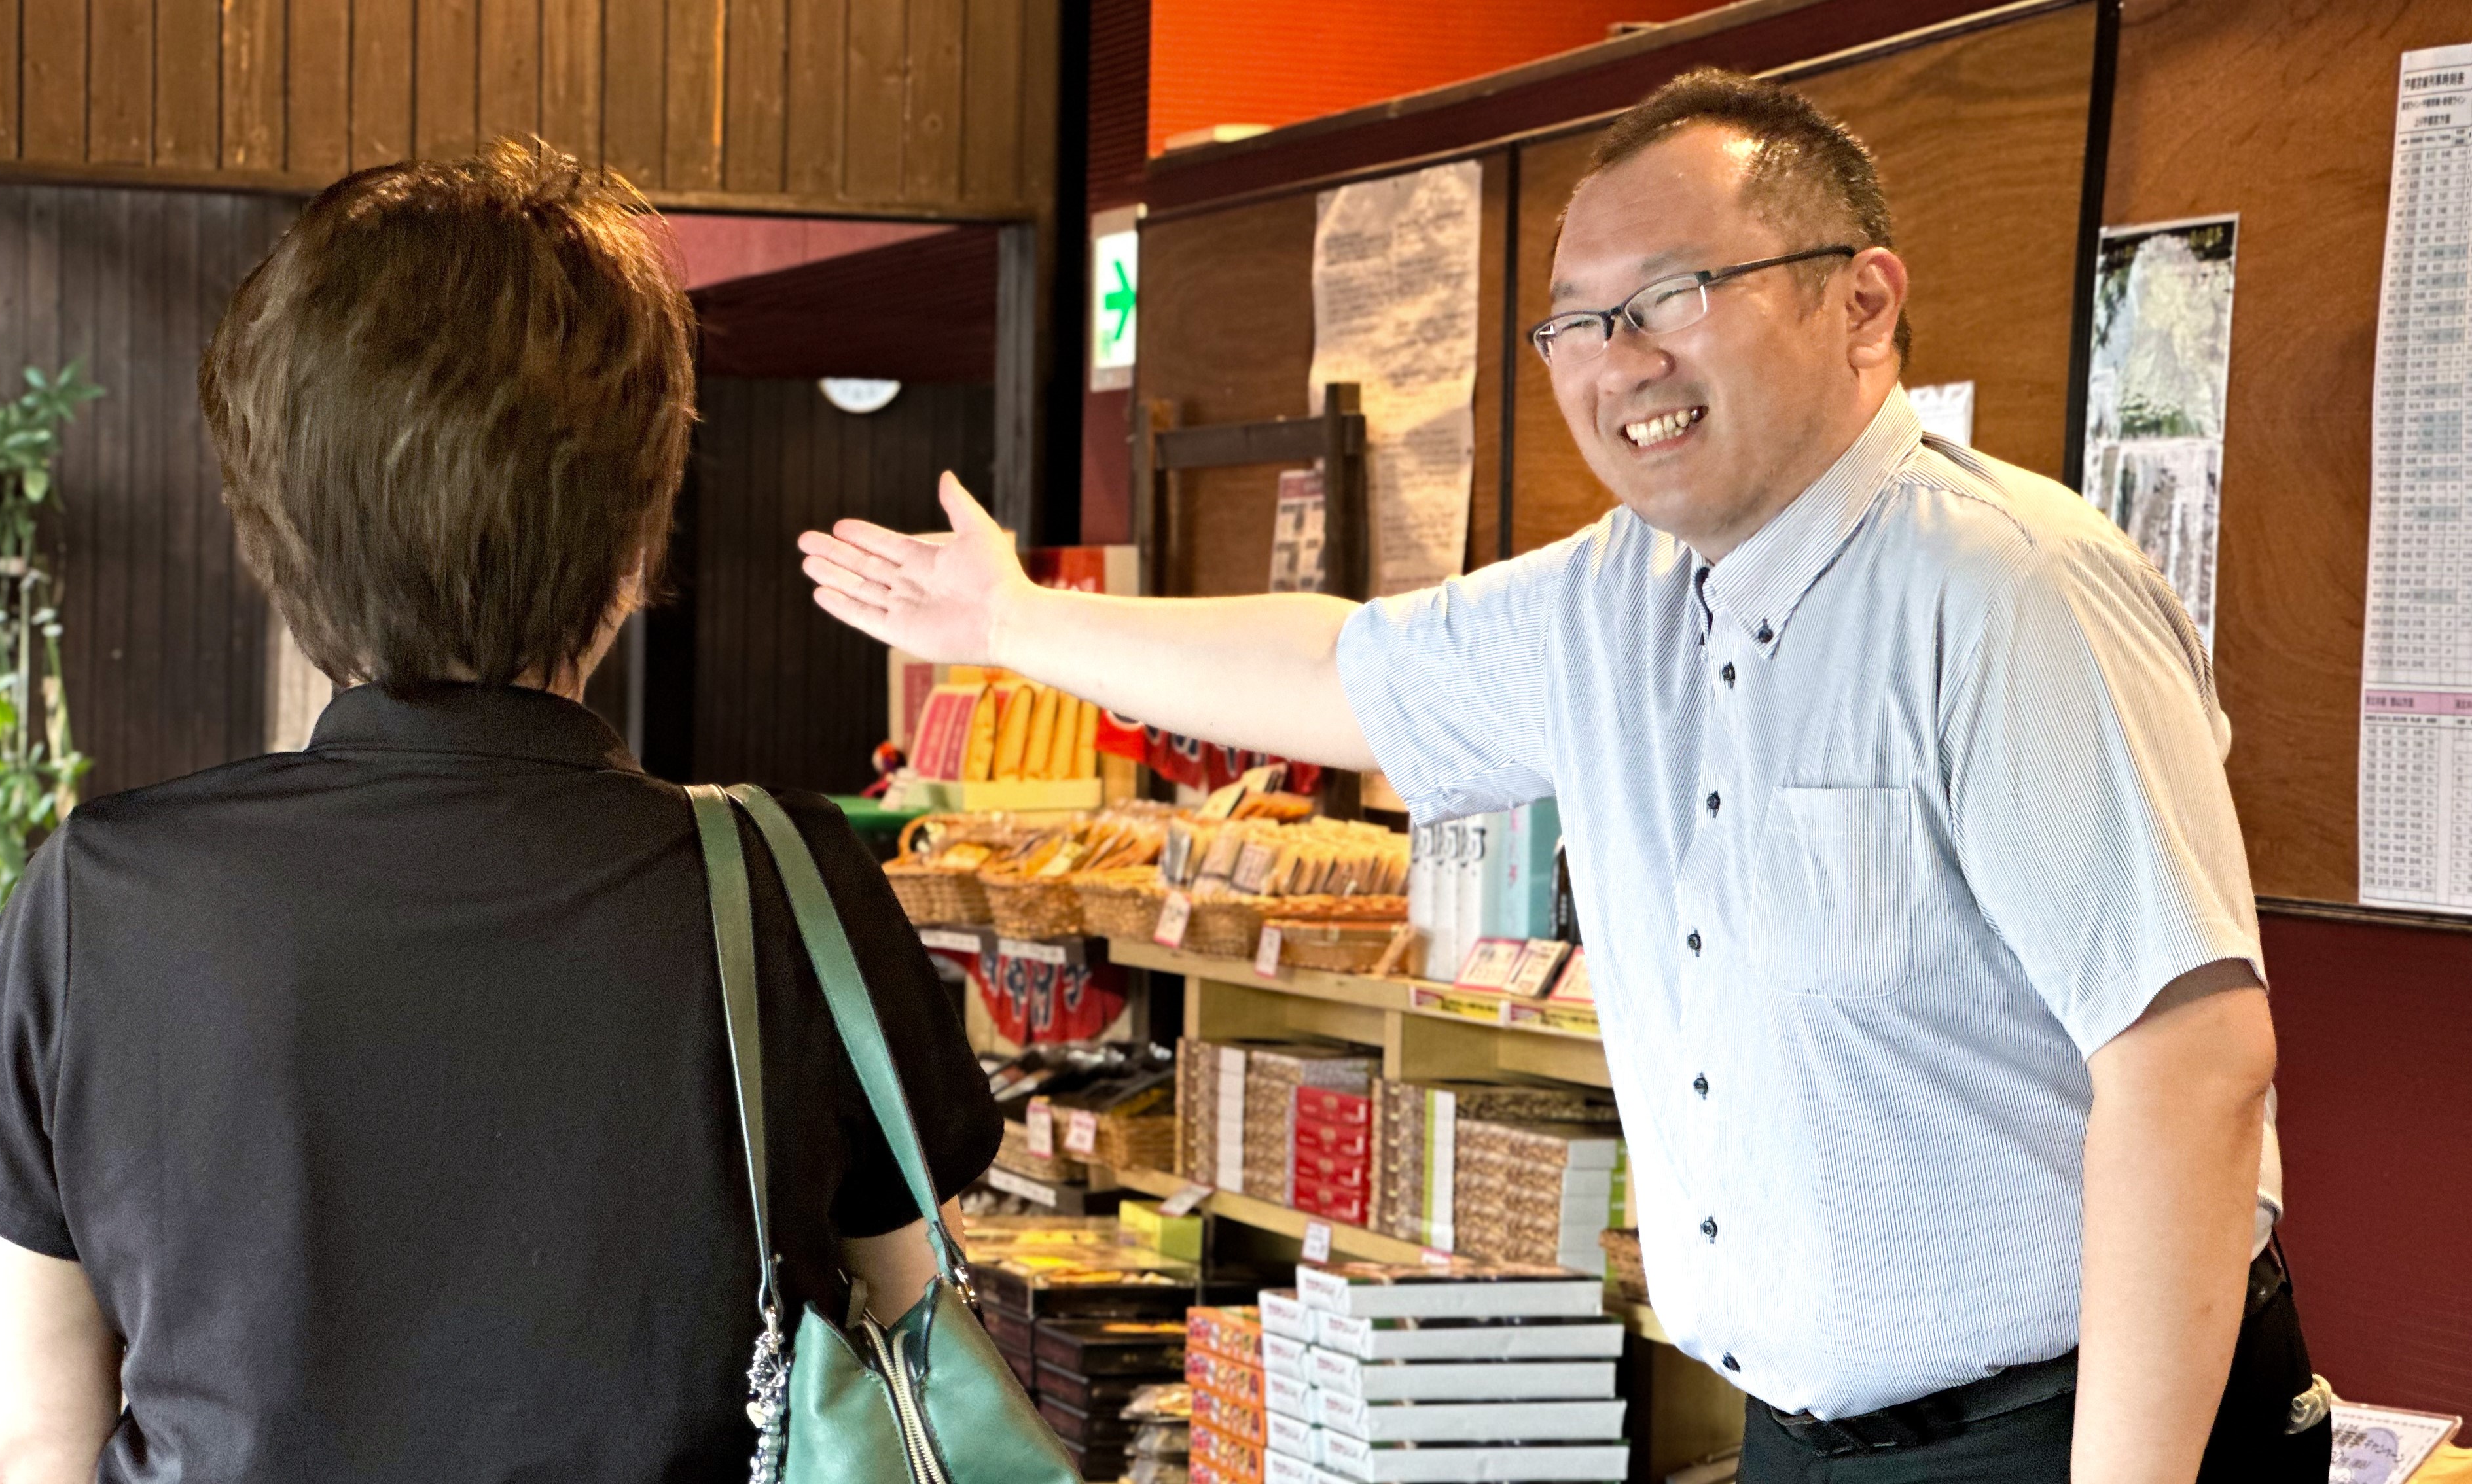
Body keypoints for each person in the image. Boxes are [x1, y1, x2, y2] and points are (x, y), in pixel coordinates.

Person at [798, 71, 2323, 1483]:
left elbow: (2190, 1064)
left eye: (1675, 297)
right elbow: (1341, 673)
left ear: (1865, 303)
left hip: (2069, 1433)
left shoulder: (2005, 592)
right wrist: (1009, 620)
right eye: (1578, 323)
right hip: (1808, 1436)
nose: (1620, 363)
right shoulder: (1618, 597)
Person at [0, 141, 1001, 1484]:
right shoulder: (788, 887)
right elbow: (911, 1361)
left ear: (279, 524)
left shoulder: (102, 898)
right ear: (634, 541)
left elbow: (34, 1447)